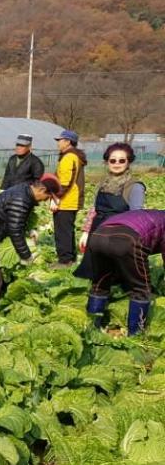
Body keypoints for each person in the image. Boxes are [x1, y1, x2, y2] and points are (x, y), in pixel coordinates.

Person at [0, 175, 62, 320]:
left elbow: (18, 221)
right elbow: (15, 230)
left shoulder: (25, 192)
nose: (45, 200)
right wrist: (26, 255)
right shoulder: (21, 199)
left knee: (3, 275)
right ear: (42, 189)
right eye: (47, 196)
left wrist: (30, 230)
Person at [74, 142, 145, 280]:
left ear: (128, 162)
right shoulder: (103, 184)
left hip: (118, 233)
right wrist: (86, 232)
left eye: (121, 160)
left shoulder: (134, 186)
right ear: (107, 162)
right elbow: (94, 209)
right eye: (112, 160)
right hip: (97, 230)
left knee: (115, 274)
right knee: (92, 271)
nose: (117, 163)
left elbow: (136, 217)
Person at [86, 210, 164, 335]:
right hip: (127, 239)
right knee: (141, 289)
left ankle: (91, 328)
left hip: (98, 236)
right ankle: (135, 334)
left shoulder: (152, 214)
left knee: (101, 282)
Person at [51, 129, 87, 266]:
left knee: (62, 232)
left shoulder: (68, 157)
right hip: (71, 200)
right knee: (68, 230)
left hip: (66, 201)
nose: (58, 143)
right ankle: (70, 258)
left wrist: (55, 198)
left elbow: (64, 182)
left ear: (68, 142)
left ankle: (64, 260)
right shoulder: (74, 156)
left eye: (60, 140)